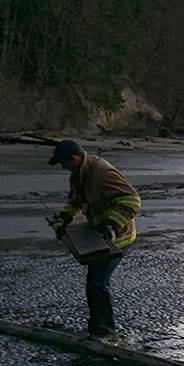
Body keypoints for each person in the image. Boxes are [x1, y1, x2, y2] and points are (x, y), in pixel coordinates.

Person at [48, 139, 141, 339]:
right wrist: (64, 219)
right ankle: (99, 329)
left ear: (73, 158)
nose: (63, 167)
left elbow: (132, 200)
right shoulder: (78, 174)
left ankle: (104, 332)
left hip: (118, 239)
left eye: (63, 163)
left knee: (97, 283)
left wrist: (112, 225)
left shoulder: (101, 172)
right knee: (95, 283)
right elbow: (76, 201)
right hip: (99, 234)